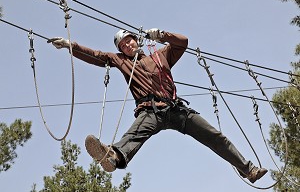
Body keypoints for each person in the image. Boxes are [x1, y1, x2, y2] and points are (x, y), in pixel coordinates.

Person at [50, 28, 267, 183]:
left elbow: (183, 42)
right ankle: (113, 156)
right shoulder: (121, 61)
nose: (127, 45)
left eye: (129, 40)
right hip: (151, 110)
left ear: (136, 40)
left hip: (177, 110)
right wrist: (71, 46)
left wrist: (162, 35)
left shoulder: (160, 55)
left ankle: (247, 170)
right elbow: (96, 56)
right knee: (135, 134)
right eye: (122, 45)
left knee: (215, 137)